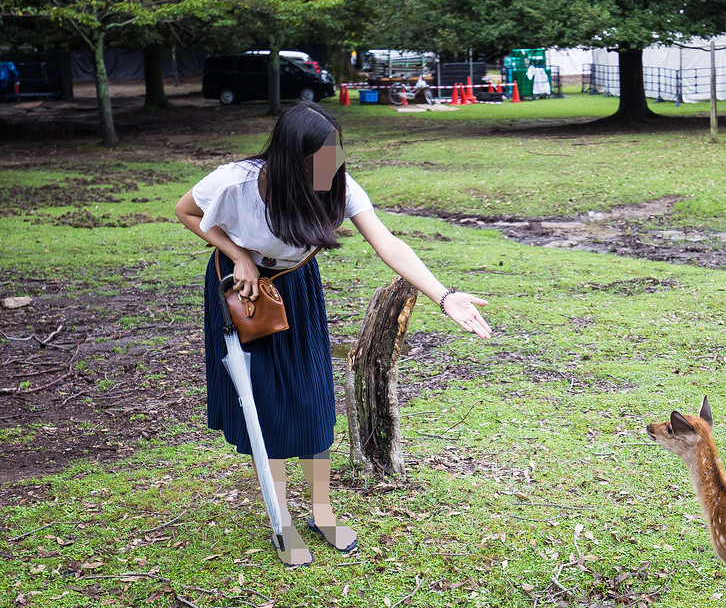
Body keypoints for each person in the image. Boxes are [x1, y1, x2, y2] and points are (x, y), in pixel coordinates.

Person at [176, 102, 492, 567]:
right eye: (319, 157)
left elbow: (388, 243)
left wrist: (445, 296)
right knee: (264, 401)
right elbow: (185, 211)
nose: (330, 166)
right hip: (242, 290)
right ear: (289, 157)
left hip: (297, 289)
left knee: (312, 397)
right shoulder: (235, 181)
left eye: (334, 154)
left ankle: (321, 512)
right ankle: (280, 518)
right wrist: (237, 253)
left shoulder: (337, 184)